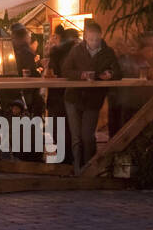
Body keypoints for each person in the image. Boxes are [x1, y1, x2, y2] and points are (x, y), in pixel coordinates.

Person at [63, 20, 122, 172]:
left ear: (101, 37)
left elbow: (119, 72)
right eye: (90, 39)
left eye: (96, 39)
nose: (94, 43)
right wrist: (81, 75)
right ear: (85, 38)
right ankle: (77, 170)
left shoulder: (107, 52)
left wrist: (110, 74)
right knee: (76, 138)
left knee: (87, 137)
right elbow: (65, 70)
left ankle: (90, 169)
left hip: (93, 99)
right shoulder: (77, 50)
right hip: (73, 97)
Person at [45, 26, 80, 164]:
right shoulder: (74, 53)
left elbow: (51, 73)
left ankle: (63, 162)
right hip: (68, 96)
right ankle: (70, 163)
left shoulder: (56, 53)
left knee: (59, 130)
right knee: (70, 131)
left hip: (56, 96)